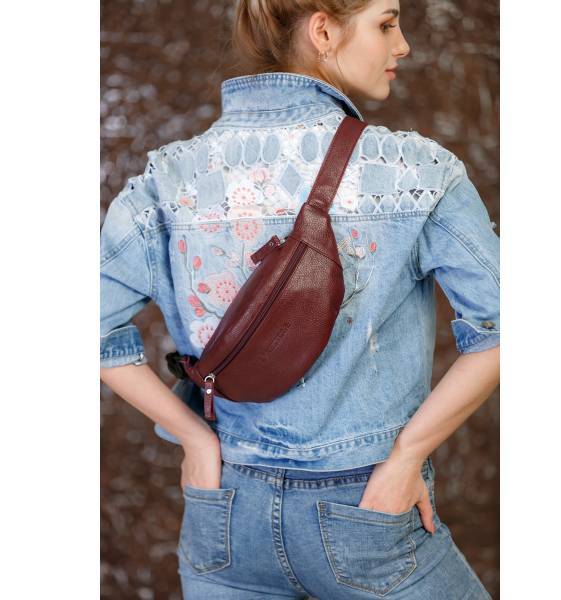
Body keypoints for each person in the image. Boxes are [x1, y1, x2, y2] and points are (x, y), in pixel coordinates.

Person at [100, 0, 500, 598]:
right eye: (386, 24)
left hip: (224, 507)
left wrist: (194, 437)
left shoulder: (170, 177)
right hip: (369, 509)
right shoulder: (415, 172)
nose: (403, 46)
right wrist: (404, 459)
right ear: (323, 30)